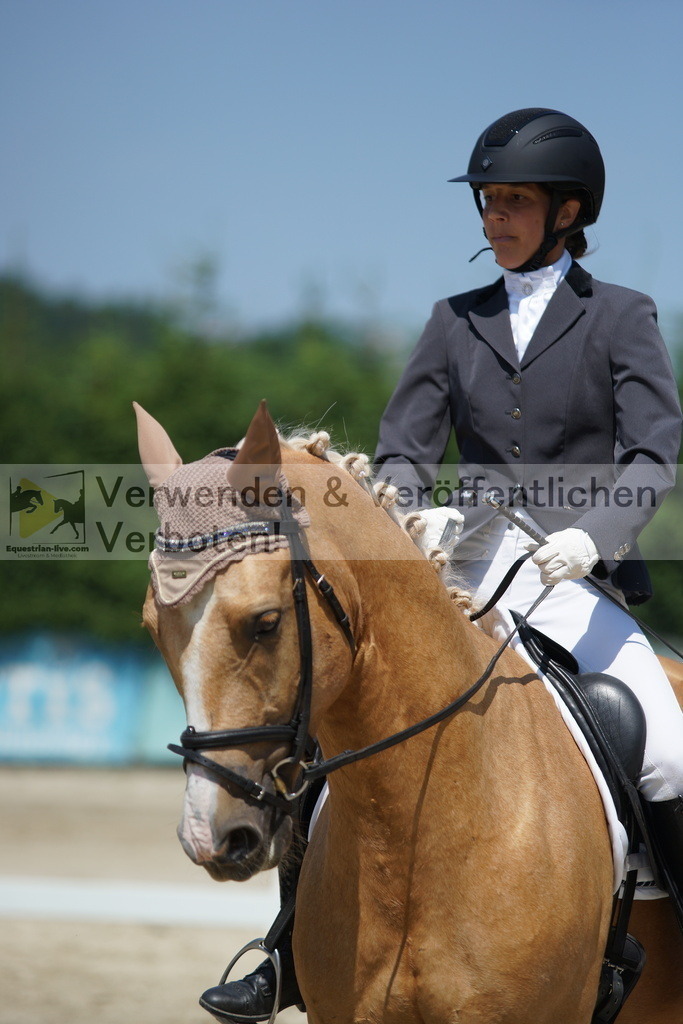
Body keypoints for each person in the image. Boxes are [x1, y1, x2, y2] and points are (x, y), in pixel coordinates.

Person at [200, 107, 683, 1024]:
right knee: (340, 741)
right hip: (465, 562)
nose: (494, 216)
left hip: (575, 572)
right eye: (487, 201)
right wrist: (405, 510)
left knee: (665, 743)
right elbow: (402, 451)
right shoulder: (451, 322)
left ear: (569, 210)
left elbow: (653, 452)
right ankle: (286, 951)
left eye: (513, 201)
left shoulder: (622, 315)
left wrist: (597, 533)